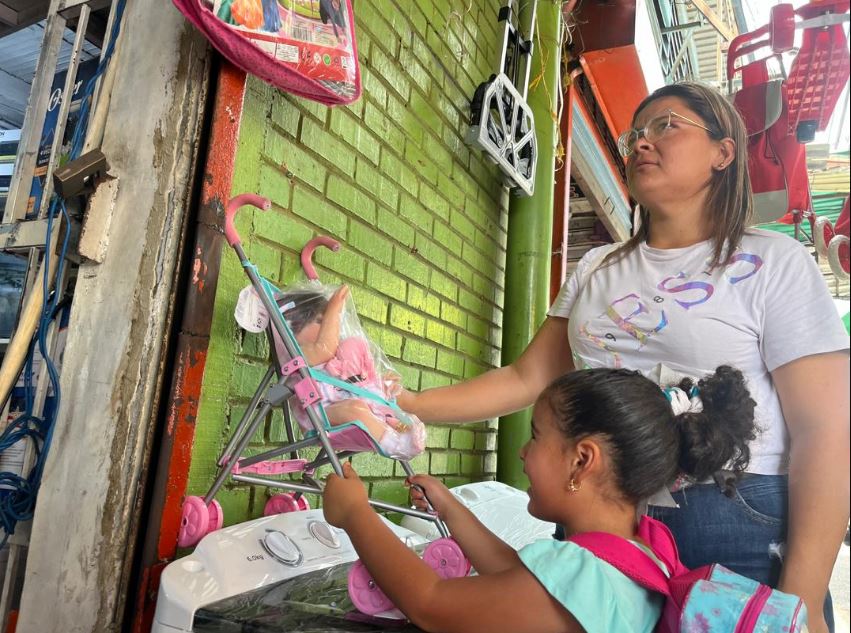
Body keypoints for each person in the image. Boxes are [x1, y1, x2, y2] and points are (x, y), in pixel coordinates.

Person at [397, 81, 850, 632]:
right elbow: (527, 376)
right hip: (600, 512)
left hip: (736, 517)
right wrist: (404, 405)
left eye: (667, 126)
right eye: (636, 132)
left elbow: (827, 430)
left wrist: (801, 598)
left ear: (722, 153)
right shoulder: (597, 267)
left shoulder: (772, 261)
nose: (641, 142)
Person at [324, 366, 759, 633]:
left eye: (536, 436)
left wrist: (356, 514)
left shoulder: (587, 576)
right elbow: (522, 575)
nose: (523, 451)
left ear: (581, 459)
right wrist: (451, 508)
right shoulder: (646, 545)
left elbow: (431, 604)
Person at [236, 283, 425, 459]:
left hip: (336, 410)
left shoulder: (325, 361)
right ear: (293, 326)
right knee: (356, 410)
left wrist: (379, 387)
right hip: (318, 417)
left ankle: (400, 429)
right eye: (321, 321)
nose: (330, 327)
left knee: (363, 406)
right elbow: (325, 347)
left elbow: (347, 385)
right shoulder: (304, 354)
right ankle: (394, 444)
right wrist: (333, 310)